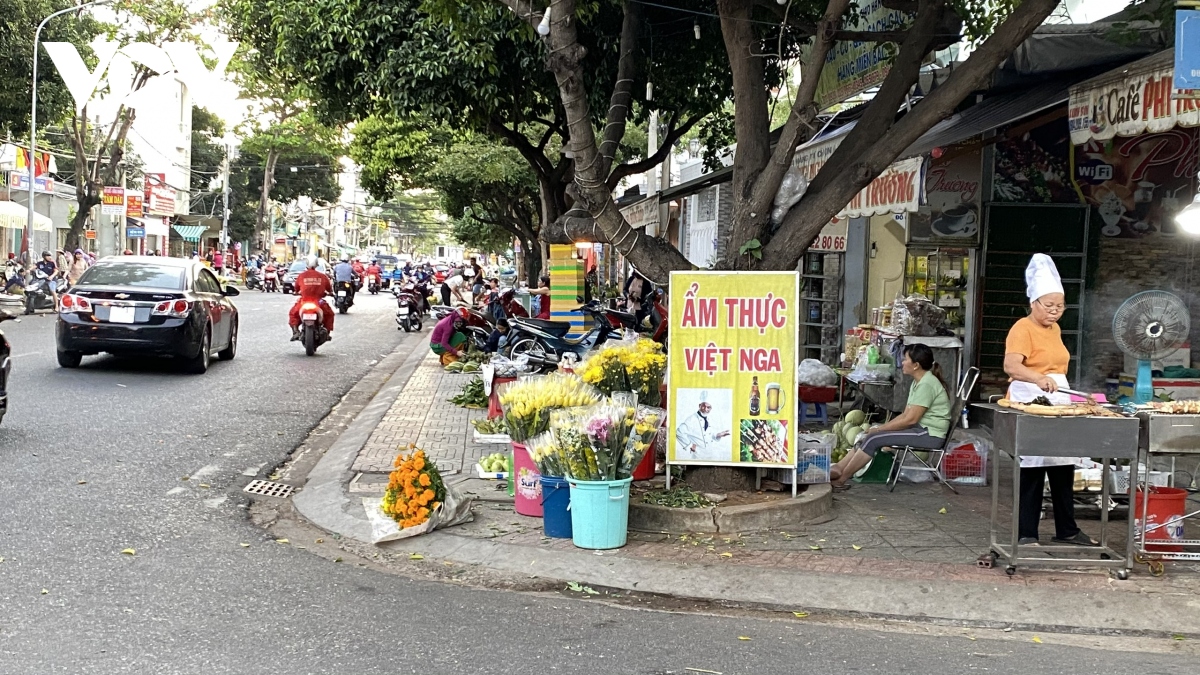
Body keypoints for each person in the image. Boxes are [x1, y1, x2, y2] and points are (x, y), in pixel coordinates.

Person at [1003, 253, 1097, 546]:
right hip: (1030, 399)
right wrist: (1037, 378)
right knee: (1033, 466)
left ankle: (1067, 529)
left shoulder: (1054, 329)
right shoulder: (1022, 328)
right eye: (1049, 305)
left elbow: (1056, 366)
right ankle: (1027, 533)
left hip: (1057, 398)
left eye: (1060, 306)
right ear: (1033, 302)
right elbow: (1011, 366)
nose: (1055, 311)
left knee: (1062, 464)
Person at [829, 343, 952, 490]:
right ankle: (839, 467)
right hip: (922, 430)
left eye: (905, 359)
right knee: (869, 433)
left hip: (930, 435)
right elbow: (906, 414)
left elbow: (910, 420)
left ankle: (841, 479)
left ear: (916, 365)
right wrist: (880, 428)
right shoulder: (918, 382)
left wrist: (881, 430)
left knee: (874, 438)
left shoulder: (927, 385)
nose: (902, 363)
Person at [288, 255, 335, 341]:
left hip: (304, 301)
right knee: (329, 314)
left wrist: (296, 292)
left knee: (293, 313)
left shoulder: (301, 276)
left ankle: (295, 331)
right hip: (318, 302)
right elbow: (329, 288)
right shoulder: (322, 276)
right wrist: (330, 293)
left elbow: (296, 289)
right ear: (317, 264)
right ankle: (327, 333)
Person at [675, 392, 731, 461]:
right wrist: (690, 445)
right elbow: (678, 432)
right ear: (699, 405)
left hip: (710, 454)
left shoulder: (709, 418)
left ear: (711, 408)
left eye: (708, 407)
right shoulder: (692, 419)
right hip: (697, 455)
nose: (705, 409)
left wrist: (717, 435)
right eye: (703, 406)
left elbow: (709, 433)